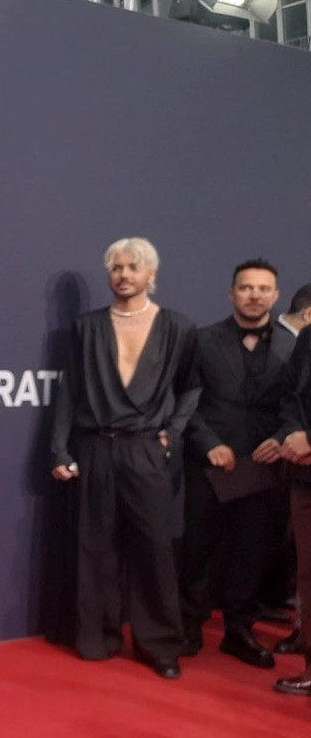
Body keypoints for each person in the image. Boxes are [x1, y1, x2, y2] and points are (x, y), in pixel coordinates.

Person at [50, 238, 197, 678]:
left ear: (152, 274)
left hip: (146, 449)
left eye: (133, 267)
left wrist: (173, 432)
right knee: (95, 545)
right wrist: (59, 448)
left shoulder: (178, 327)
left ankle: (161, 646)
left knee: (154, 548)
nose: (124, 275)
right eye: (116, 268)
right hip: (94, 445)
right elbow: (70, 391)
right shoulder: (86, 326)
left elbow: (192, 386)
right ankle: (97, 636)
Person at [178, 260, 292, 668]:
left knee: (251, 552)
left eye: (263, 288)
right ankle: (188, 626)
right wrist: (209, 443)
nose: (254, 295)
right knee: (197, 549)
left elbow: (299, 404)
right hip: (209, 464)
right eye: (246, 287)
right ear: (231, 293)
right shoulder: (201, 340)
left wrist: (282, 439)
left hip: (263, 466)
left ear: (275, 296)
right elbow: (183, 401)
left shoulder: (293, 346)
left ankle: (239, 631)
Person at [274, 326, 311, 697]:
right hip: (305, 473)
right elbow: (289, 395)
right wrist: (293, 434)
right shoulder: (308, 337)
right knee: (308, 574)